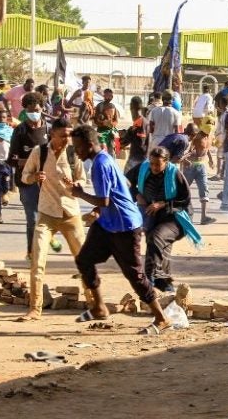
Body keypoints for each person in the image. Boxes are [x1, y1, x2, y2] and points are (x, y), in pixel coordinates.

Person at [68, 125, 171, 334]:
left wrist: (79, 194)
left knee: (135, 275)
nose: (76, 152)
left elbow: (105, 200)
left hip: (124, 226)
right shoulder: (104, 158)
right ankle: (99, 307)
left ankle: (161, 318)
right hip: (107, 223)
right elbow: (120, 186)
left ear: (89, 145)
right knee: (84, 259)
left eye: (78, 147)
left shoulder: (100, 164)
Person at [17, 117, 89, 322]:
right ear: (52, 135)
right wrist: (34, 178)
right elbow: (25, 176)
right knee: (37, 262)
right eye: (64, 136)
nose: (68, 139)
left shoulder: (74, 154)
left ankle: (94, 303)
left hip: (70, 214)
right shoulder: (39, 152)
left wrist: (75, 184)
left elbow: (83, 181)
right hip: (47, 214)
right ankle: (35, 308)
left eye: (70, 135)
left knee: (84, 261)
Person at [127, 146, 201, 293]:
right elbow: (125, 182)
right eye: (152, 163)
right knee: (157, 244)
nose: (154, 167)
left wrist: (163, 203)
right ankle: (164, 281)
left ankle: (149, 278)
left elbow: (185, 200)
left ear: (166, 162)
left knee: (156, 238)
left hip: (176, 217)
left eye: (158, 164)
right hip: (152, 215)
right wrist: (136, 194)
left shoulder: (175, 174)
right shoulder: (142, 169)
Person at [7, 92, 50, 259]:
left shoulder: (49, 129)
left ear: (42, 109)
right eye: (31, 110)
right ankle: (31, 253)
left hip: (46, 182)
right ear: (25, 110)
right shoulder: (19, 131)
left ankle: (43, 247)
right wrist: (29, 161)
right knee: (32, 218)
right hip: (26, 182)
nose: (34, 113)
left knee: (46, 218)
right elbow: (11, 159)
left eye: (37, 109)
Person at [181, 121, 217, 225]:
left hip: (201, 166)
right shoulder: (196, 136)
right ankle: (183, 214)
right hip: (190, 166)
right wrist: (185, 160)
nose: (208, 132)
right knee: (183, 189)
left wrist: (210, 159)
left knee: (204, 189)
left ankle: (204, 217)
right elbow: (186, 149)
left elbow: (207, 148)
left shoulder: (209, 136)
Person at [120, 96, 149, 174]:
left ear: (132, 107)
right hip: (143, 159)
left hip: (136, 159)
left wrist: (123, 138)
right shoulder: (145, 122)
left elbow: (140, 143)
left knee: (126, 181)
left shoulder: (139, 123)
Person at [94, 88, 120, 157]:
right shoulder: (99, 106)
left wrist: (112, 124)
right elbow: (95, 120)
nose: (110, 97)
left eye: (111, 96)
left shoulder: (113, 106)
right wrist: (102, 123)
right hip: (101, 133)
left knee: (111, 152)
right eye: (108, 95)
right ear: (104, 95)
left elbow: (116, 120)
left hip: (110, 132)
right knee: (102, 151)